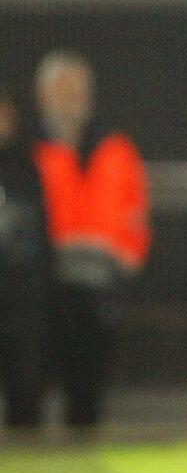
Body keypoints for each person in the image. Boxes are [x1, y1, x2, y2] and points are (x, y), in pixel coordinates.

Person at [31, 51, 149, 434]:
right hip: (42, 283)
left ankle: (83, 447)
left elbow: (136, 213)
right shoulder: (29, 151)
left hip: (101, 283)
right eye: (64, 91)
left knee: (89, 382)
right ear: (43, 96)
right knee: (30, 380)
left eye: (78, 91)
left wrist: (127, 261)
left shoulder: (116, 148)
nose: (73, 100)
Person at [0, 89, 51, 434]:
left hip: (22, 295)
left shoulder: (29, 165)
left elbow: (41, 230)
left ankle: (27, 447)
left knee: (26, 384)